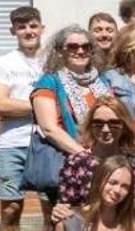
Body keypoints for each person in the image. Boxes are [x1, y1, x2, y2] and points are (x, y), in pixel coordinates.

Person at [0, 6, 47, 231]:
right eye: (22, 27)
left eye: (33, 25)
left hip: (48, 142)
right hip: (11, 144)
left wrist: (21, 104)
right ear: (13, 31)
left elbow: (14, 104)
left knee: (53, 211)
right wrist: (43, 105)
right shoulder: (2, 63)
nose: (28, 31)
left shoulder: (53, 62)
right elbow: (1, 104)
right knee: (11, 210)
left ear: (41, 28)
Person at [32, 25, 112, 201]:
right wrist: (87, 157)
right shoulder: (49, 82)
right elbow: (49, 128)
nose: (80, 51)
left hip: (107, 161)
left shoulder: (103, 82)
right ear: (60, 51)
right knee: (72, 216)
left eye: (86, 47)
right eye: (73, 46)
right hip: (70, 164)